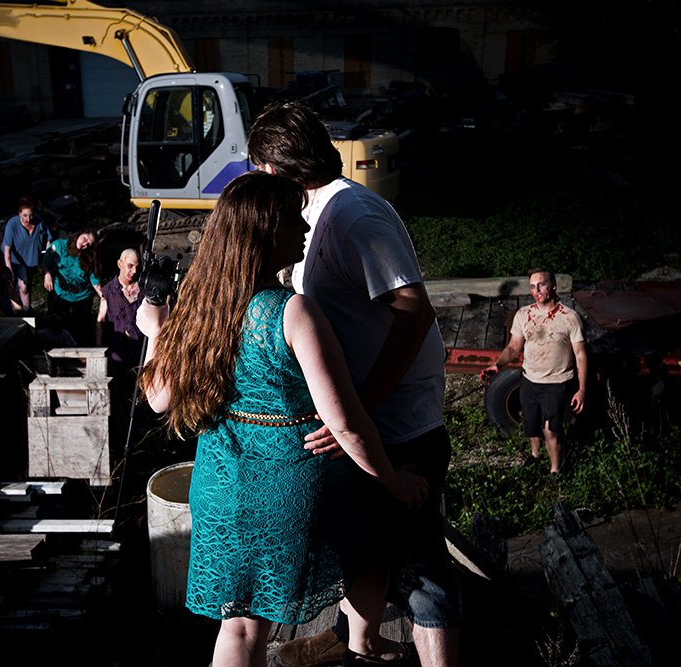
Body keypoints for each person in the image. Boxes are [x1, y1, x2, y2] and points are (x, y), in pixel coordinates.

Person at [136, 172, 428, 667]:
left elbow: (159, 400)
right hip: (286, 489)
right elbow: (348, 424)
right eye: (295, 220)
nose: (306, 229)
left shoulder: (199, 310)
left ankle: (359, 640)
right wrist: (395, 481)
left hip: (220, 485)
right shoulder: (293, 314)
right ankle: (363, 638)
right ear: (269, 234)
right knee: (375, 528)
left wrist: (155, 332)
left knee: (241, 625)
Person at [249, 101, 460, 667]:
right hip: (365, 422)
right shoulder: (313, 215)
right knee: (365, 545)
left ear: (270, 170)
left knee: (421, 572)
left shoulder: (354, 215)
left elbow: (415, 312)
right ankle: (354, 642)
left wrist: (360, 410)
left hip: (397, 422)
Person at [484, 268, 587, 474]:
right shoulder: (524, 315)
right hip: (529, 380)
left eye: (541, 284)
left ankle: (555, 471)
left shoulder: (569, 317)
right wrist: (498, 364)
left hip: (557, 383)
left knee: (550, 431)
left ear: (553, 286)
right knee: (531, 424)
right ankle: (535, 456)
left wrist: (581, 390)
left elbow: (581, 355)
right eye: (532, 286)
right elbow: (513, 347)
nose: (537, 290)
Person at [42, 228, 102, 345]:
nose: (84, 244)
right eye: (85, 239)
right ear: (80, 233)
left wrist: (104, 297)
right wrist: (47, 274)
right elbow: (45, 263)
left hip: (82, 295)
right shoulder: (58, 246)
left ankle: (81, 352)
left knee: (82, 329)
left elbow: (94, 280)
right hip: (60, 292)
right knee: (55, 324)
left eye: (88, 244)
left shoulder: (89, 256)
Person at [3, 196, 52, 313]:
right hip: (15, 260)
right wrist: (9, 271)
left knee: (25, 287)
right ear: (19, 213)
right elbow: (7, 251)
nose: (28, 219)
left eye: (31, 215)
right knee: (18, 286)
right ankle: (17, 311)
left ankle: (26, 311)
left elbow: (48, 242)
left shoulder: (39, 222)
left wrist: (46, 266)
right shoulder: (12, 224)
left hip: (30, 260)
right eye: (25, 215)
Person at [97, 248, 144, 371]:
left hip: (141, 351)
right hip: (118, 351)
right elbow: (100, 320)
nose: (134, 271)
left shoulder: (144, 288)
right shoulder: (108, 292)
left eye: (137, 267)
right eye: (130, 266)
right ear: (120, 264)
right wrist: (99, 349)